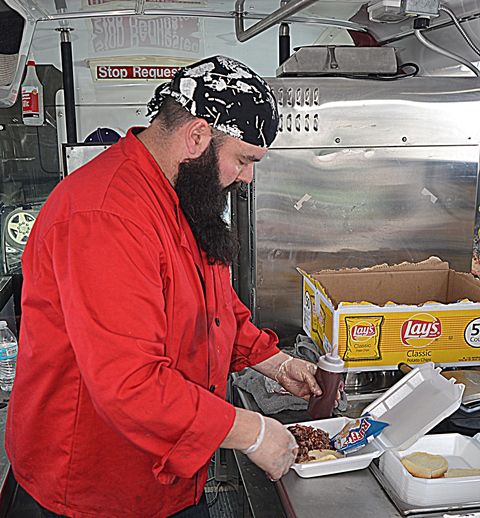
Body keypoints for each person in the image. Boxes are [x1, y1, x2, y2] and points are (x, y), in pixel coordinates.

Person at [5, 55, 322, 518]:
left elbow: (213, 305)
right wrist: (251, 432)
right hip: (93, 489)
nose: (248, 176)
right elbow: (130, 384)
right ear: (197, 136)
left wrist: (272, 361)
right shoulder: (106, 216)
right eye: (244, 159)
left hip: (167, 480)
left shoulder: (180, 195)